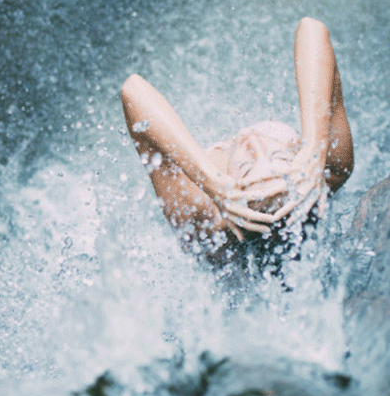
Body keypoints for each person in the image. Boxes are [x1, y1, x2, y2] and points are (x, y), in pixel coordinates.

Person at [120, 17, 353, 249]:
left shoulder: (202, 218)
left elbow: (133, 90)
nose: (253, 140)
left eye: (246, 167)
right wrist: (314, 149)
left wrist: (212, 182)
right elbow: (312, 28)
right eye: (279, 157)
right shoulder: (328, 171)